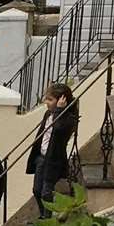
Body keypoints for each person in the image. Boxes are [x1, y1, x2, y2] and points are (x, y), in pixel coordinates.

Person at [27, 82, 78, 214]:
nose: (46, 102)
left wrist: (60, 110)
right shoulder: (48, 114)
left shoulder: (68, 118)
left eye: (50, 99)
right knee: (37, 190)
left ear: (62, 100)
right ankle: (43, 216)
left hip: (53, 160)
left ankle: (48, 218)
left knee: (46, 193)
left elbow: (59, 129)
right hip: (41, 157)